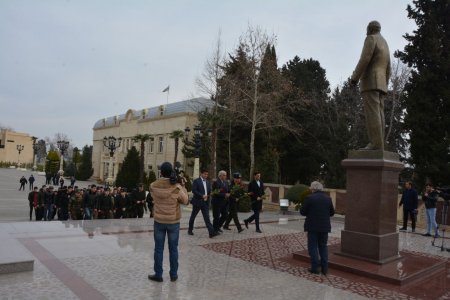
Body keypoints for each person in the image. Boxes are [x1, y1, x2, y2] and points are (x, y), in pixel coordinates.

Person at [351, 20, 391, 151]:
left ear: (370, 29)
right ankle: (380, 144)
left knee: (373, 114)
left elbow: (365, 59)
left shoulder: (371, 39)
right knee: (380, 113)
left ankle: (375, 144)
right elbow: (389, 67)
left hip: (370, 81)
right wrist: (385, 82)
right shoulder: (384, 43)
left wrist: (354, 78)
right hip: (381, 83)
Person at [148, 162, 188, 282]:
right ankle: (173, 274)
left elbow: (152, 196)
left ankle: (158, 274)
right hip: (173, 222)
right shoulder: (176, 187)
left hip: (159, 221)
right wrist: (183, 186)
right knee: (173, 248)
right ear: (171, 172)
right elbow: (185, 201)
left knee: (158, 249)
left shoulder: (153, 185)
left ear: (161, 172)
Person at [300, 181, 335, 275]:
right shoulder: (328, 198)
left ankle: (315, 268)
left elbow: (302, 212)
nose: (310, 190)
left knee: (313, 247)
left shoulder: (309, 198)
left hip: (312, 227)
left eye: (311, 188)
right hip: (325, 227)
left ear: (313, 189)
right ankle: (325, 269)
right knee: (323, 246)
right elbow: (332, 213)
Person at [188, 168, 218, 238]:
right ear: (201, 174)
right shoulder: (196, 181)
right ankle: (190, 230)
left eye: (207, 174)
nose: (206, 175)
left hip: (205, 203)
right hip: (197, 202)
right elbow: (194, 190)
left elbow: (209, 191)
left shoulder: (207, 182)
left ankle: (211, 232)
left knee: (207, 218)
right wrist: (202, 195)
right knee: (193, 216)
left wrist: (212, 193)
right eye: (205, 174)